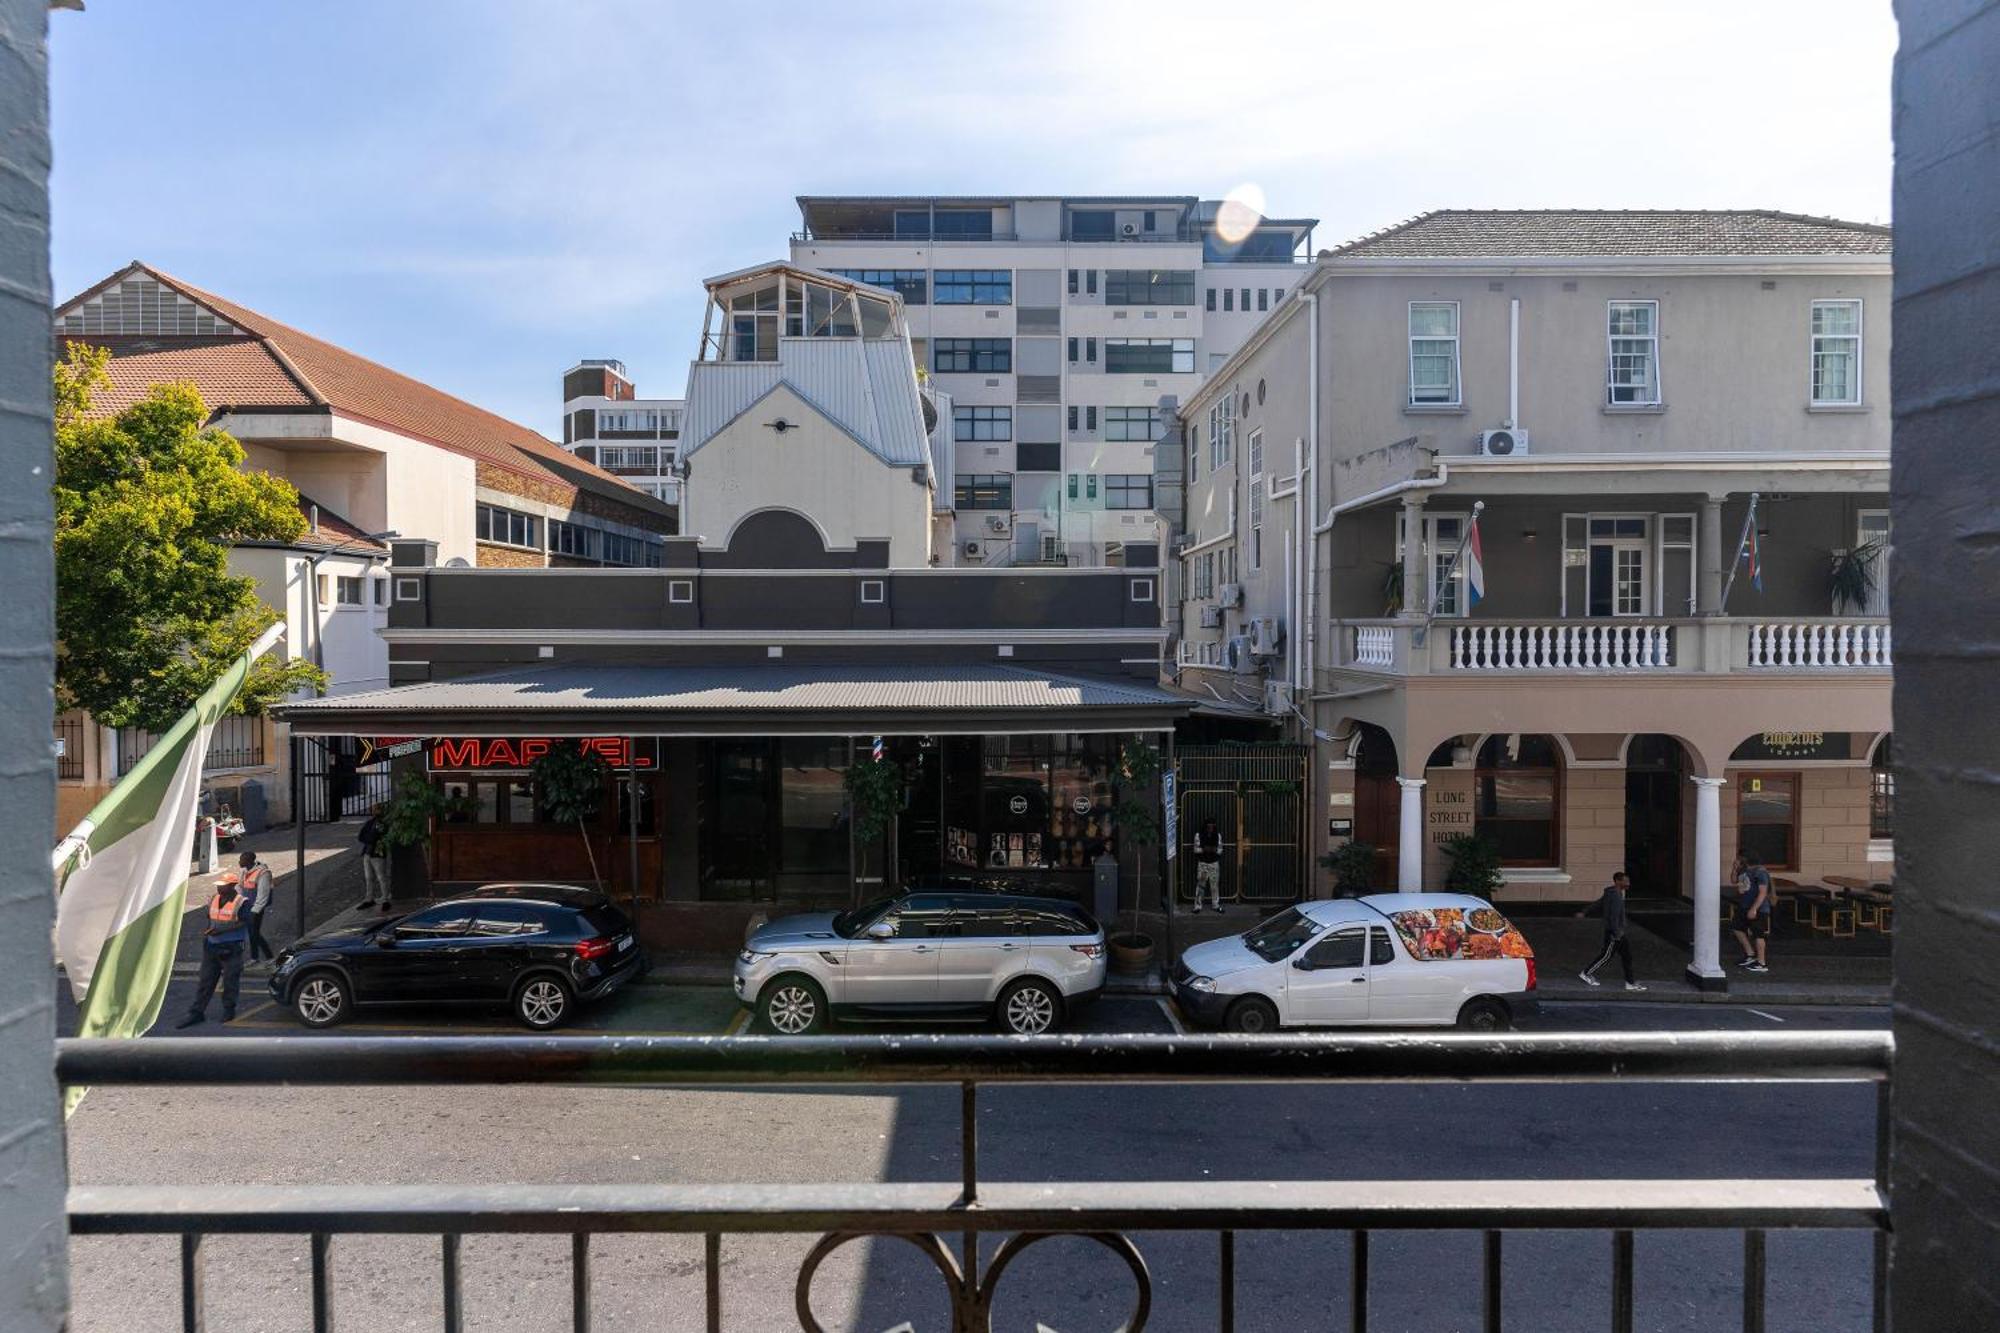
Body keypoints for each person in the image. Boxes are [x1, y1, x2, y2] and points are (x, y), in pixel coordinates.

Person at [175, 879, 249, 1027]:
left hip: (232, 948)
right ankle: (197, 1012)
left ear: (232, 886)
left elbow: (245, 921)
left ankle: (229, 1010)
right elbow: (211, 918)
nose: (219, 888)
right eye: (218, 886)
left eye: (222, 886)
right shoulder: (214, 899)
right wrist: (209, 933)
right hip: (212, 946)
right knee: (206, 981)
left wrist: (222, 930)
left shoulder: (242, 902)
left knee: (230, 981)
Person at [1576, 870, 1646, 991]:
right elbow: (1613, 917)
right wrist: (1616, 933)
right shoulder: (1615, 896)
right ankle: (1586, 973)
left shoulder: (1612, 893)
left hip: (1618, 932)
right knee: (1606, 956)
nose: (1628, 883)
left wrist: (1584, 911)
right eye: (1626, 881)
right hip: (1615, 933)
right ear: (1618, 881)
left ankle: (1630, 982)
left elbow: (1598, 903)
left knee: (1626, 956)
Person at [1733, 850, 1774, 973]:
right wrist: (1734, 869)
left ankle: (1761, 962)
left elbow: (1763, 892)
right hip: (1744, 905)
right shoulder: (1744, 871)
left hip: (1758, 908)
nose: (1738, 860)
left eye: (1740, 858)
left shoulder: (1760, 872)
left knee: (1758, 933)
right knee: (1737, 927)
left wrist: (1754, 908)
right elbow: (1734, 881)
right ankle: (1750, 954)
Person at [239, 850, 275, 962]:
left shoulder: (263, 873)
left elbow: (263, 894)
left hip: (255, 908)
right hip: (247, 906)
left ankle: (268, 957)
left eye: (242, 859)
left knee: (254, 933)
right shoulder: (244, 871)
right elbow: (240, 887)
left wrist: (255, 911)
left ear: (249, 861)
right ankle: (257, 958)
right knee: (252, 932)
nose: (239, 861)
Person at [358, 802, 391, 909]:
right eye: (373, 809)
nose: (373, 811)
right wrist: (370, 838)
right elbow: (361, 836)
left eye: (375, 809)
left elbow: (375, 836)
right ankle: (369, 898)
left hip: (377, 853)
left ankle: (385, 899)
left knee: (381, 877)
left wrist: (370, 838)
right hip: (368, 852)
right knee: (368, 877)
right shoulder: (370, 822)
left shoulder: (383, 823)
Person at [1191, 818, 1223, 913]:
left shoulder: (1217, 835)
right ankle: (1197, 906)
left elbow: (1220, 850)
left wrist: (1213, 850)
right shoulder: (1198, 835)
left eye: (1212, 826)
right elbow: (1195, 850)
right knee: (1201, 885)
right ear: (1205, 827)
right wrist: (1204, 849)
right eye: (1208, 826)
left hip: (1214, 863)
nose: (1210, 828)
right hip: (1203, 863)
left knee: (1214, 886)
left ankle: (1215, 905)